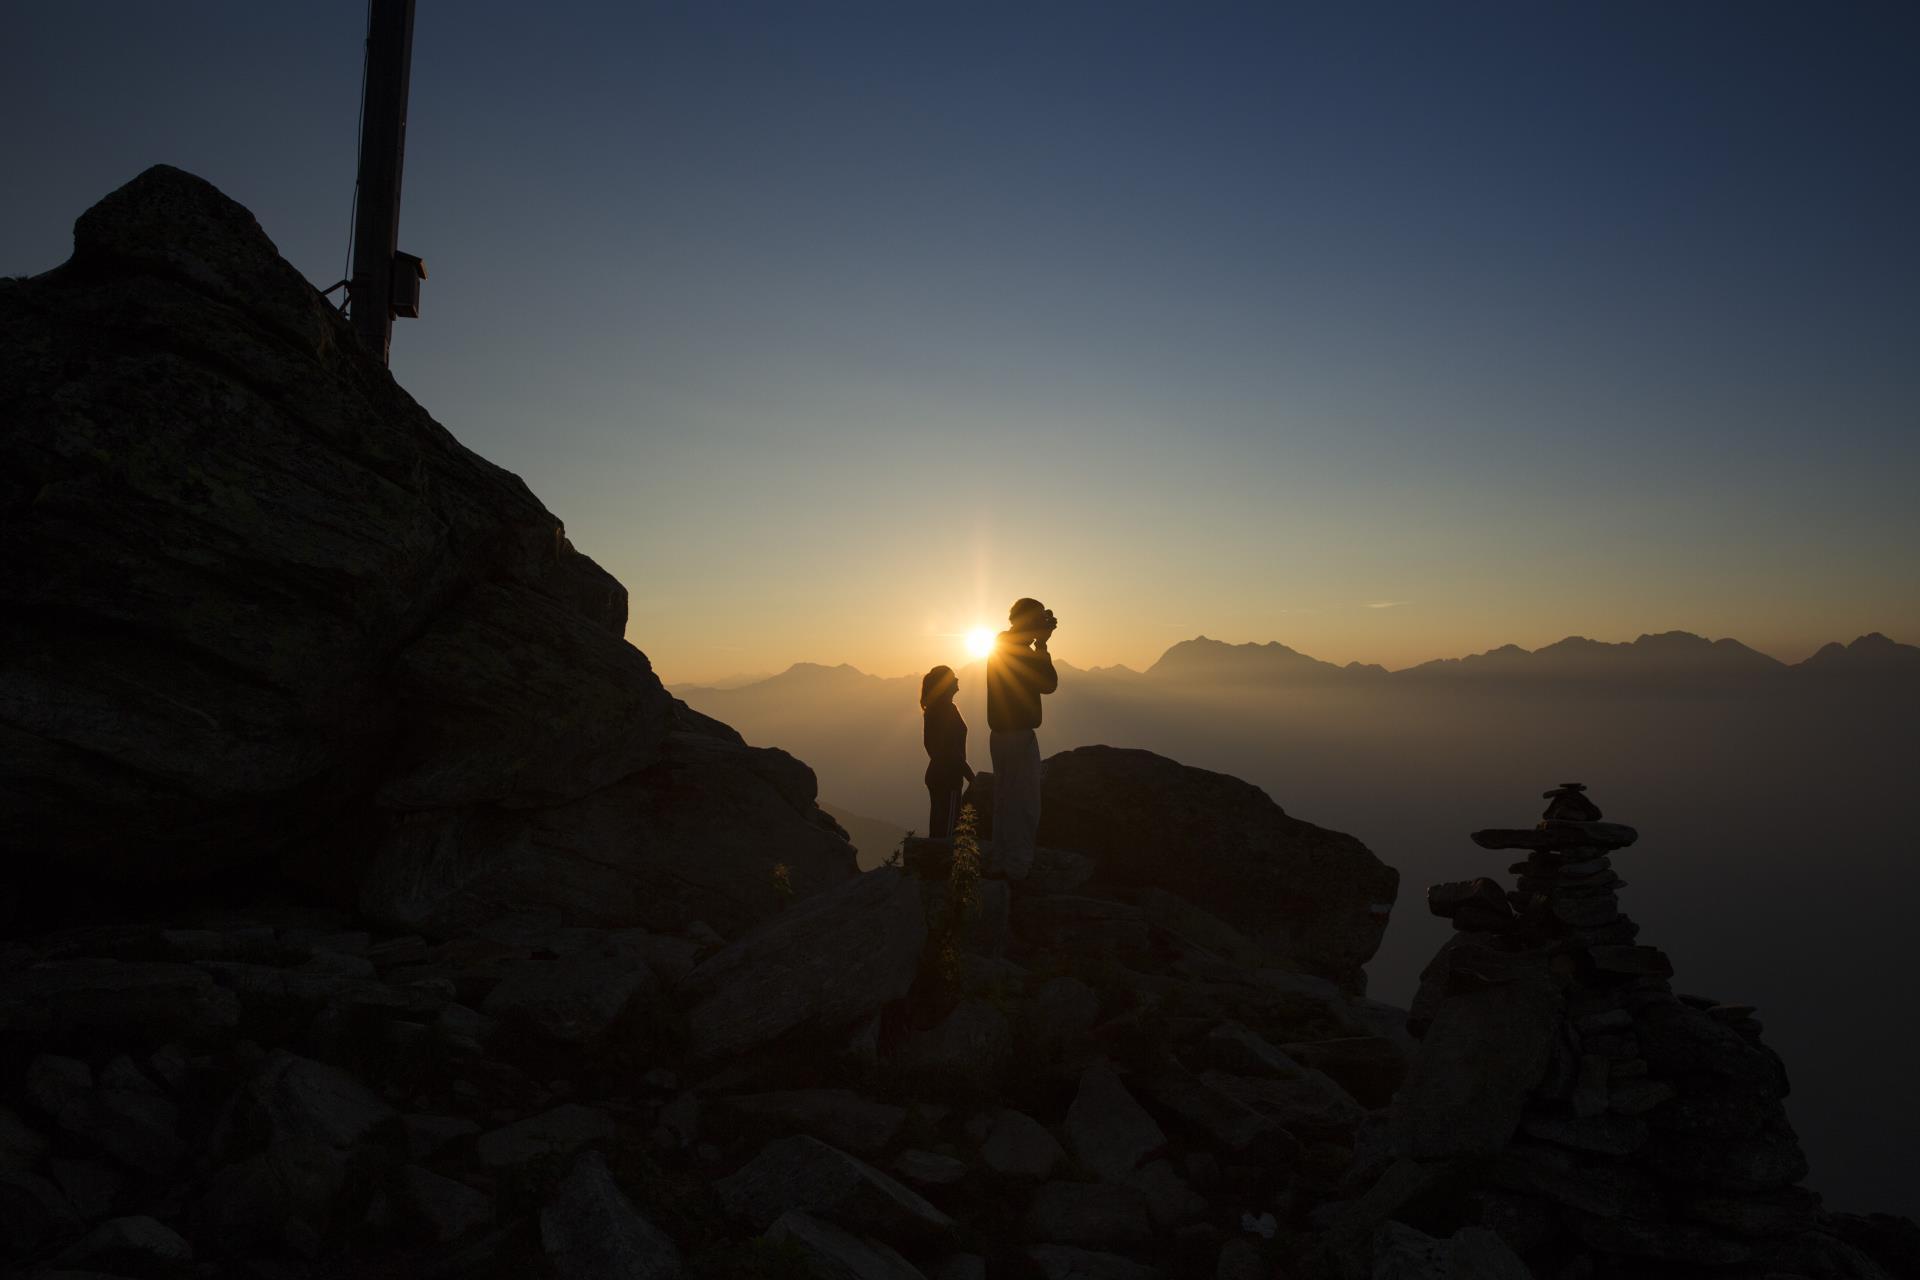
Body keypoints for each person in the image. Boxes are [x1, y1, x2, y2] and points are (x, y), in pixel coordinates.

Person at [985, 597, 1058, 879]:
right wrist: (1042, 645)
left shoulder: (1001, 646)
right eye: (1037, 619)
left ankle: (1001, 861)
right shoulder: (1019, 650)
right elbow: (1048, 684)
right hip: (1018, 735)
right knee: (1025, 803)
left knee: (1004, 801)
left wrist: (1037, 641)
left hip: (1001, 735)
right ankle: (1016, 868)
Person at [920, 665, 973, 839]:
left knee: (938, 826)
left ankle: (931, 863)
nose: (957, 680)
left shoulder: (938, 709)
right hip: (948, 777)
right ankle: (943, 864)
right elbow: (950, 749)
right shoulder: (945, 710)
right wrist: (970, 776)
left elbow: (933, 746)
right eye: (953, 678)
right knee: (948, 832)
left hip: (938, 774)